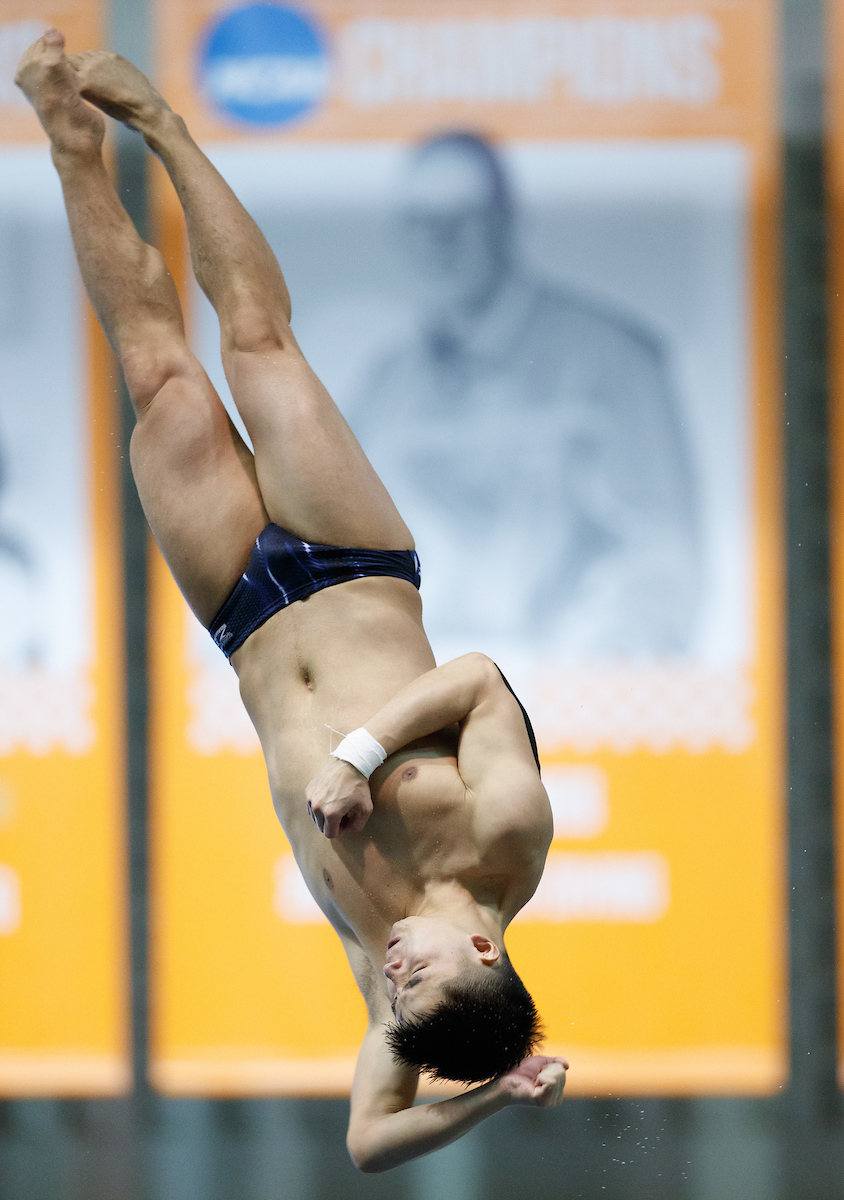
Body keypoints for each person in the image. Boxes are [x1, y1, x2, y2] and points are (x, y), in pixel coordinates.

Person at [16, 32, 567, 1172]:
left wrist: (495, 1095)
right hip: (352, 562)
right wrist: (361, 756)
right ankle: (161, 125)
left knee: (159, 375)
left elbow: (369, 1142)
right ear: (485, 950)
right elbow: (478, 680)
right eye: (420, 982)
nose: (394, 979)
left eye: (395, 999)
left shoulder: (384, 962)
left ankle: (68, 139)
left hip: (244, 615)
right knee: (258, 341)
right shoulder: (510, 836)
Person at [352, 132, 700, 658]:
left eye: (463, 216)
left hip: (573, 685)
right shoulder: (386, 385)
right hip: (422, 686)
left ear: (507, 221)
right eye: (420, 221)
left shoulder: (617, 361)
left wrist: (575, 677)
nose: (439, 240)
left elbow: (662, 565)